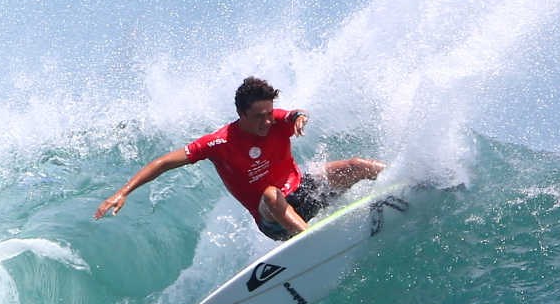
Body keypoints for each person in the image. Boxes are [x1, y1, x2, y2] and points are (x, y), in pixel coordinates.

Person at [95, 76, 383, 240]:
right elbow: (164, 162)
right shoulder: (220, 142)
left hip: (303, 192)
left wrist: (300, 118)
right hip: (274, 219)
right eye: (259, 117)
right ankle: (310, 241)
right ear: (241, 115)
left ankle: (413, 178)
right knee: (271, 193)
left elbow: (295, 113)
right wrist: (122, 192)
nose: (267, 122)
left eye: (270, 114)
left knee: (356, 166)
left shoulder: (276, 120)